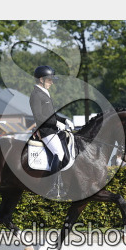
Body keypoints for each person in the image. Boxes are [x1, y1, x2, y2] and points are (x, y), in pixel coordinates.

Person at [29, 65, 74, 198]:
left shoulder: (44, 93)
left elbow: (52, 115)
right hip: (46, 131)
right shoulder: (36, 95)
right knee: (59, 153)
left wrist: (65, 120)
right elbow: (39, 116)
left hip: (53, 129)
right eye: (50, 80)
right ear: (41, 79)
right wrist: (56, 123)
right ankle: (52, 187)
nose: (52, 83)